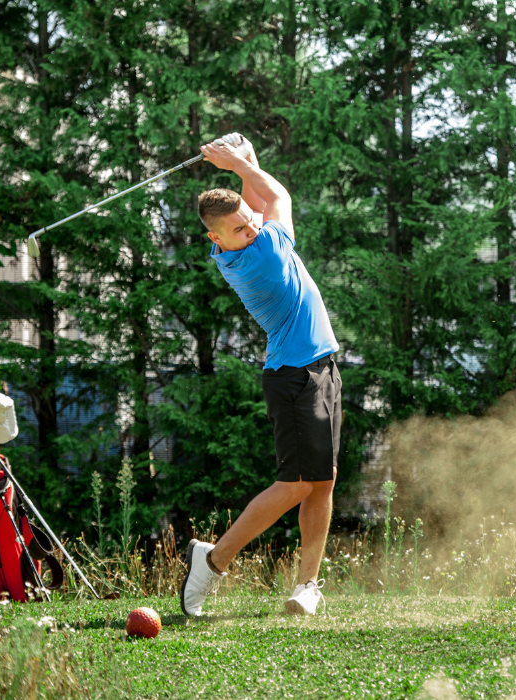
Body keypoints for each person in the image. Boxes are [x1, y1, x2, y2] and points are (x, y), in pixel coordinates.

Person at [180, 133, 341, 617]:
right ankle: (213, 560)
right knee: (294, 484)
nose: (251, 228)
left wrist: (244, 161)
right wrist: (237, 164)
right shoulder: (262, 254)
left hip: (322, 366)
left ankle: (307, 587)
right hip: (293, 377)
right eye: (241, 229)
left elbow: (256, 200)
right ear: (218, 240)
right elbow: (276, 197)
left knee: (323, 481)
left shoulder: (243, 235)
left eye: (250, 224)